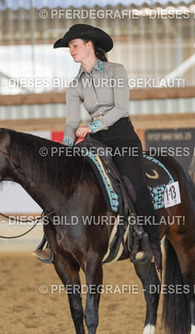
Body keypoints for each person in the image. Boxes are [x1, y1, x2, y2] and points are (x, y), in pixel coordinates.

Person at [51, 23, 162, 272]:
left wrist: (93, 125)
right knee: (69, 180)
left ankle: (150, 242)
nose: (71, 50)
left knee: (135, 186)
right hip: (95, 139)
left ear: (89, 45)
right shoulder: (75, 85)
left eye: (74, 45)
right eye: (69, 47)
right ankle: (53, 240)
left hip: (122, 135)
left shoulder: (115, 70)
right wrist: (66, 146)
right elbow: (71, 123)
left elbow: (121, 108)